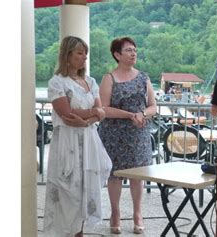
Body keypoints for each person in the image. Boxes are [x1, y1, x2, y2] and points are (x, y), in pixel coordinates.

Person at [43, 36, 112, 237]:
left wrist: (88, 120)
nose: (84, 58)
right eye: (80, 53)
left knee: (85, 190)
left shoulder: (90, 81)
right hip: (68, 142)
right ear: (68, 55)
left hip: (88, 140)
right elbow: (66, 113)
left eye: (85, 54)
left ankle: (79, 232)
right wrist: (95, 113)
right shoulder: (57, 82)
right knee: (68, 192)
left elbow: (100, 110)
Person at [98, 37, 157, 234]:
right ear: (117, 54)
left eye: (135, 50)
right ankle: (115, 212)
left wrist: (142, 114)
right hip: (114, 133)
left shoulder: (144, 77)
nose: (133, 53)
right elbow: (103, 108)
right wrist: (129, 115)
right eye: (128, 50)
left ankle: (137, 213)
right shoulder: (109, 78)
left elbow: (153, 106)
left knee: (137, 176)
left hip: (138, 134)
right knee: (115, 175)